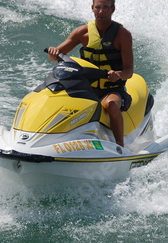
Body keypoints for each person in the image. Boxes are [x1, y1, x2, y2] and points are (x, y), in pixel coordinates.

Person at [47, 0, 133, 147]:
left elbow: (129, 71)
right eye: (98, 7)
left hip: (112, 89)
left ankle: (120, 146)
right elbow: (54, 56)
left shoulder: (123, 35)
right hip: (85, 88)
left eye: (105, 8)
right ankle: (52, 139)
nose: (101, 12)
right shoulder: (82, 32)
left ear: (113, 9)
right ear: (92, 8)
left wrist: (118, 74)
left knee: (111, 104)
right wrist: (53, 52)